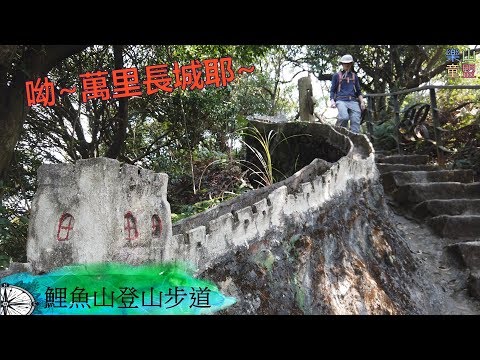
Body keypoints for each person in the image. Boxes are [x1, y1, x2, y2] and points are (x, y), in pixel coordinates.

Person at [329, 54, 366, 133]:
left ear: (351, 64)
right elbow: (332, 90)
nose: (347, 65)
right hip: (341, 100)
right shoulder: (336, 76)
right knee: (344, 118)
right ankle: (338, 134)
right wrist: (332, 101)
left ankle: (354, 143)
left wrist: (362, 102)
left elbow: (358, 91)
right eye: (345, 63)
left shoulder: (354, 76)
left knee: (356, 123)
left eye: (348, 63)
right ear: (342, 64)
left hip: (353, 101)